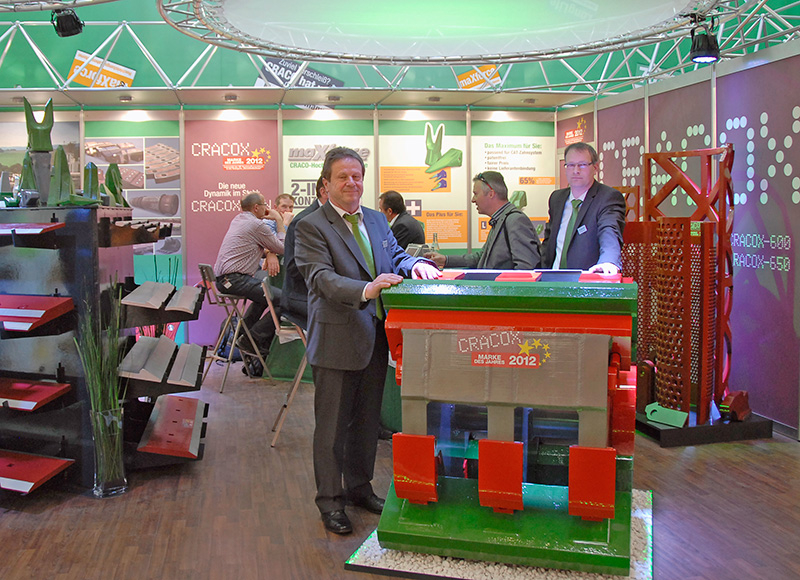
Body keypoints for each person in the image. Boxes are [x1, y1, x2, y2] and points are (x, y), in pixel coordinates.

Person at [294, 147, 440, 535]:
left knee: (366, 423)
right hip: (336, 340)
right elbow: (320, 279)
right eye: (342, 177)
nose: (351, 183)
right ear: (325, 184)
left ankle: (359, 488)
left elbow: (395, 257)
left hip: (374, 337)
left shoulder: (375, 220)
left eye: (356, 176)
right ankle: (330, 502)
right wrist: (367, 289)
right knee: (331, 430)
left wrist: (416, 264)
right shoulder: (311, 226)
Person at [214, 192, 285, 371]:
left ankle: (244, 335)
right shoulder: (256, 224)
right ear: (256, 207)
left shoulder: (239, 220)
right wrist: (279, 220)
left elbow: (255, 246)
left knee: (264, 299)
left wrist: (269, 253)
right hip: (235, 279)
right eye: (264, 204)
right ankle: (252, 339)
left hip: (226, 280)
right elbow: (282, 247)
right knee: (285, 300)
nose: (266, 208)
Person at [425, 171, 540, 270]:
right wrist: (446, 260)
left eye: (475, 194)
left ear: (491, 194)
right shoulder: (500, 220)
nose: (473, 200)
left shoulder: (515, 221)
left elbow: (526, 268)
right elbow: (482, 257)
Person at [541, 142, 626, 274]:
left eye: (582, 165)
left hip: (586, 280)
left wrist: (608, 261)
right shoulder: (556, 198)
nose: (576, 171)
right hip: (553, 279)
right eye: (571, 165)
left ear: (595, 167)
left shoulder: (607, 198)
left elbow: (609, 231)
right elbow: (549, 241)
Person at [281, 177, 328, 319]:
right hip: (303, 296)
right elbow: (294, 267)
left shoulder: (331, 218)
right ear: (324, 191)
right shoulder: (304, 221)